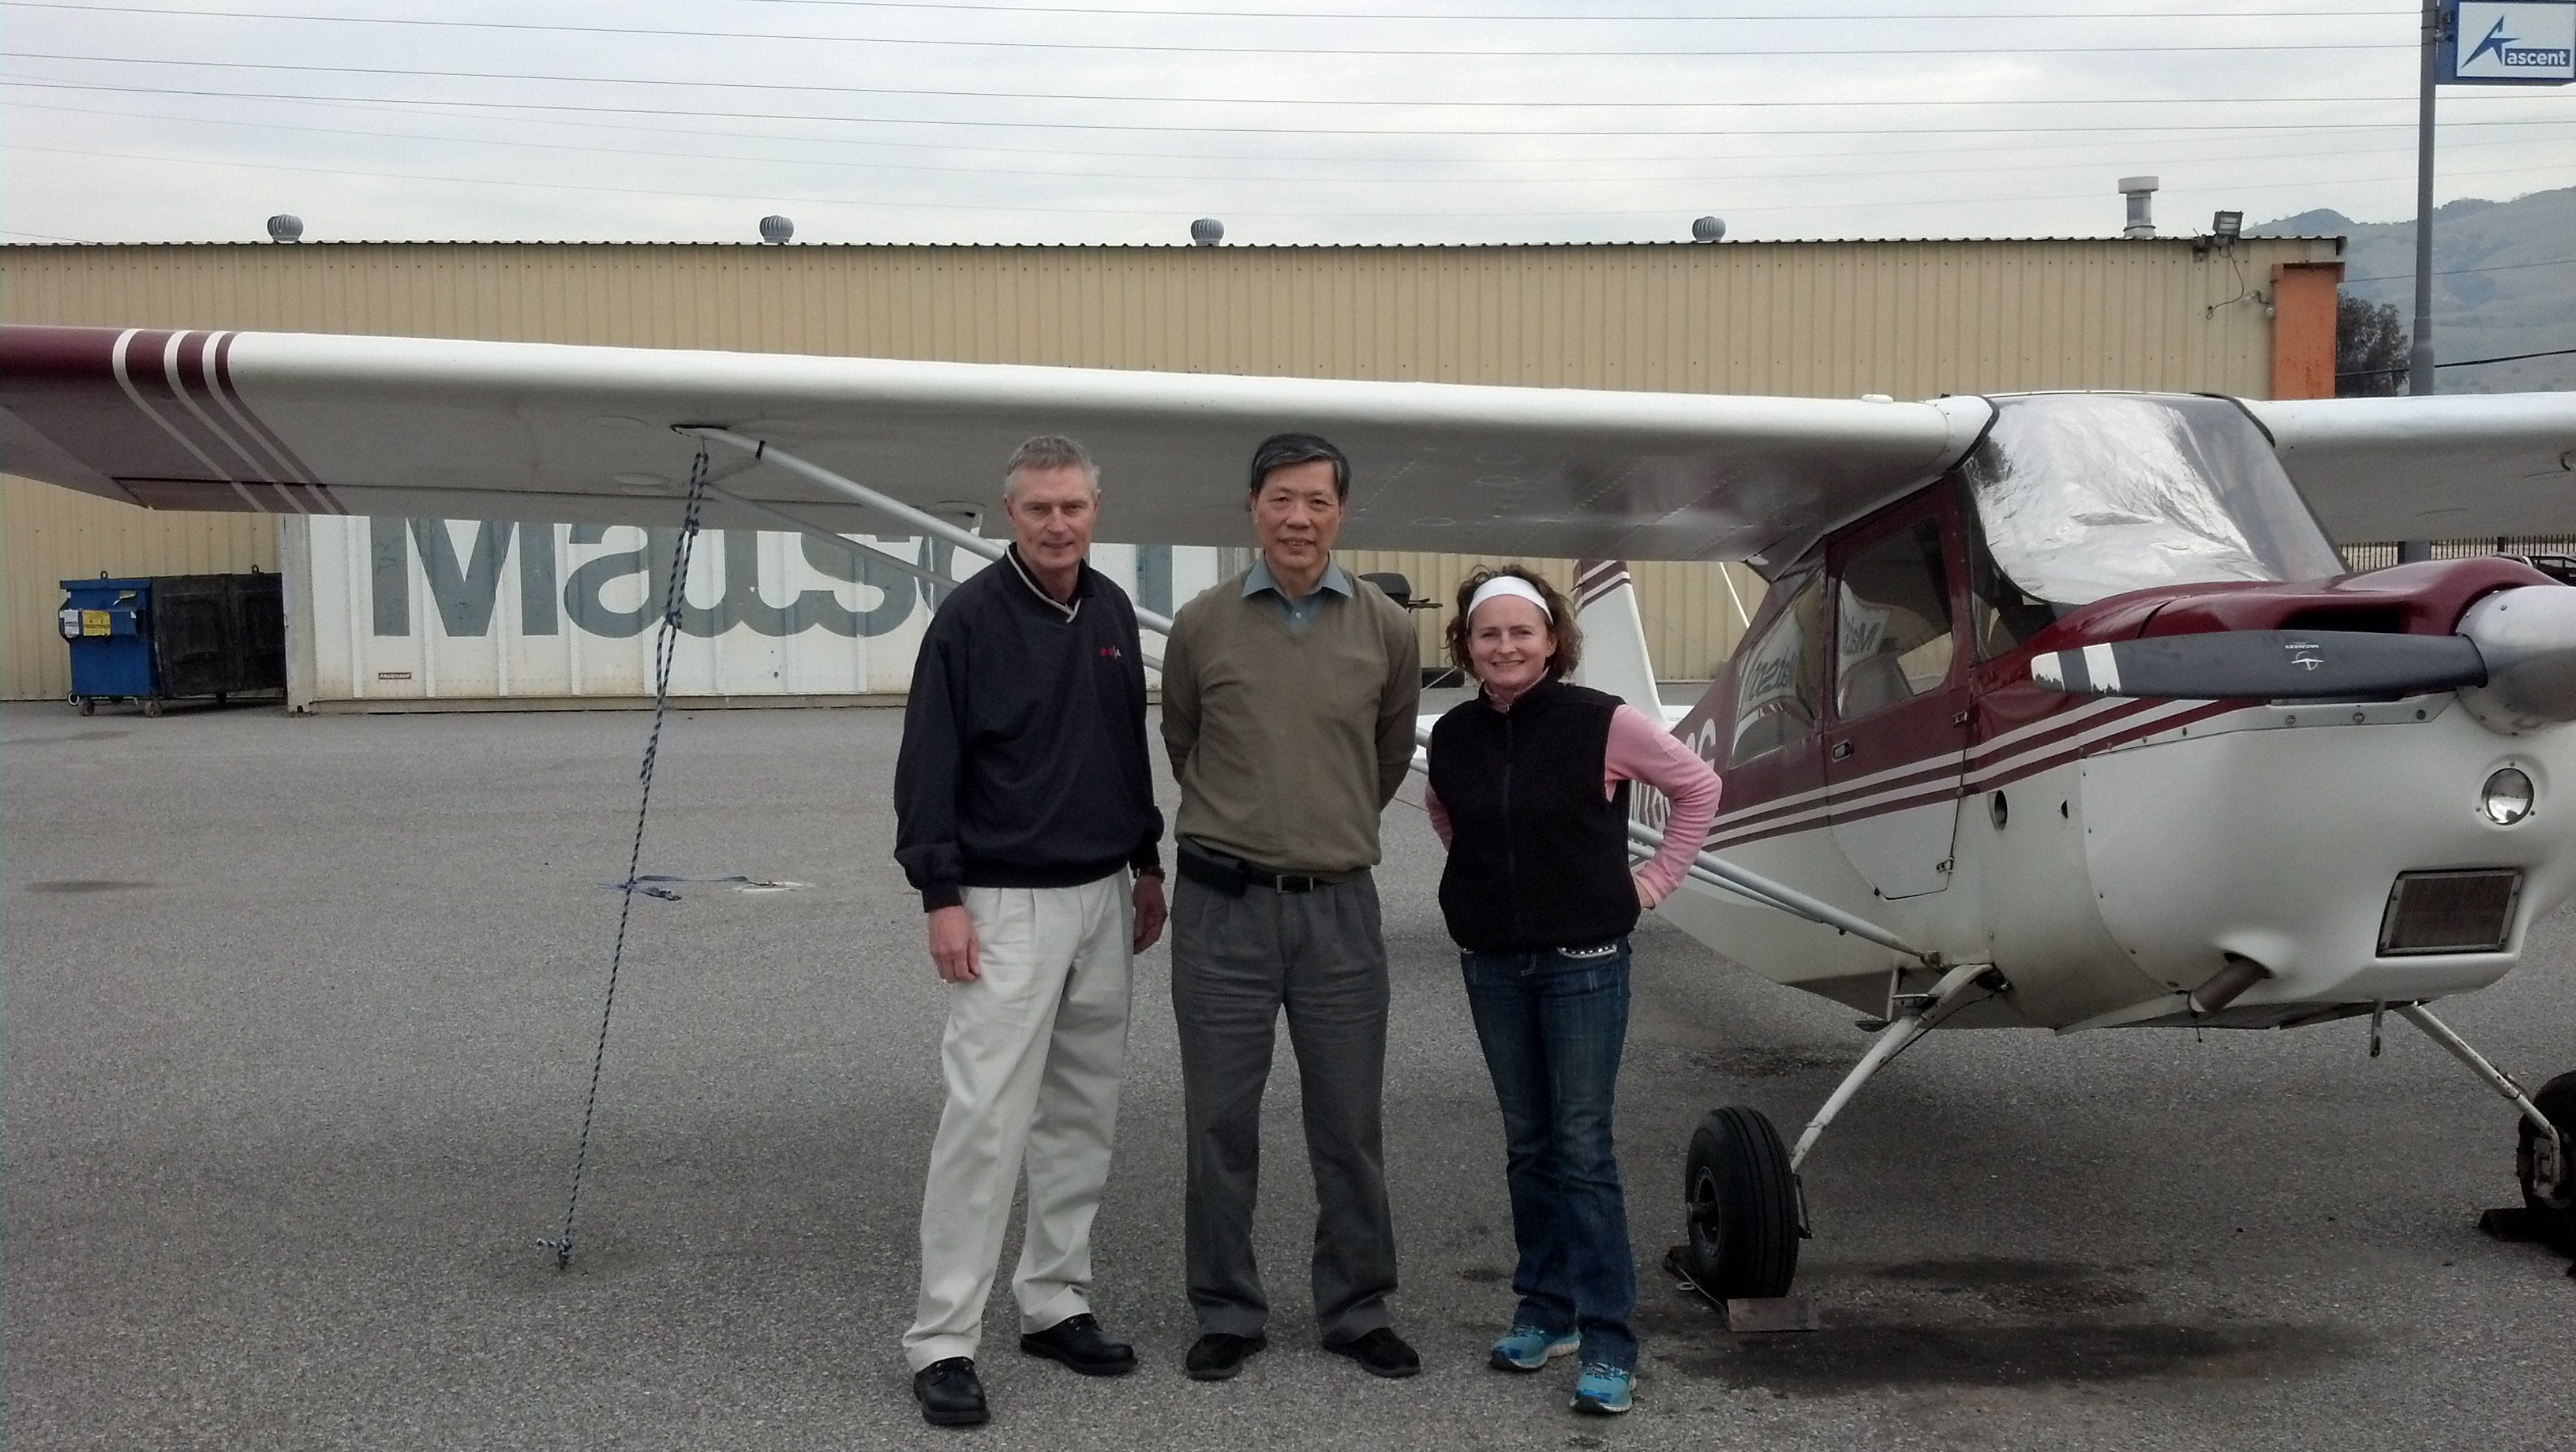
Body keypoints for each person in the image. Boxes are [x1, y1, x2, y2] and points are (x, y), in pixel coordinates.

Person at [892, 434, 1170, 1428]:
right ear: (1009, 514)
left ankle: (1054, 1299)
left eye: (1075, 507)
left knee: (1082, 1113)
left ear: (1097, 510)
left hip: (1103, 894)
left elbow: (1122, 748)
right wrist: (941, 895)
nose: (1059, 523)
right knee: (984, 1121)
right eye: (1040, 508)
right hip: (1004, 903)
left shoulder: (1105, 610)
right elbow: (927, 765)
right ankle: (943, 1340)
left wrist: (1145, 860)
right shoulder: (967, 622)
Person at [1421, 567, 1720, 1418]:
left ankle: (1608, 1339)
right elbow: (1448, 816)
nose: (1506, 646)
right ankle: (1544, 1310)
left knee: (1582, 1150)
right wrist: (1483, 881)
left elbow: (1699, 788)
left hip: (1585, 957)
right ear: (1467, 646)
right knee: (1529, 1144)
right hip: (1493, 960)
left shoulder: (1604, 723)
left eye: (1523, 631)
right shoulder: (1454, 734)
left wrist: (1653, 881)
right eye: (1489, 634)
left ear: (1553, 639)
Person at [1158, 432, 1424, 1383]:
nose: (1298, 517)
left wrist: (1321, 827)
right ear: (1253, 508)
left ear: (1341, 511)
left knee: (1348, 1123)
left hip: (1339, 915)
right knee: (1219, 1121)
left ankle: (1357, 1307)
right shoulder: (1202, 625)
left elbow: (1386, 757)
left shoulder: (1388, 631)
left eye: (1316, 500)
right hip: (1221, 912)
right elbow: (1183, 741)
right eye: (1280, 498)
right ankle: (1226, 1307)